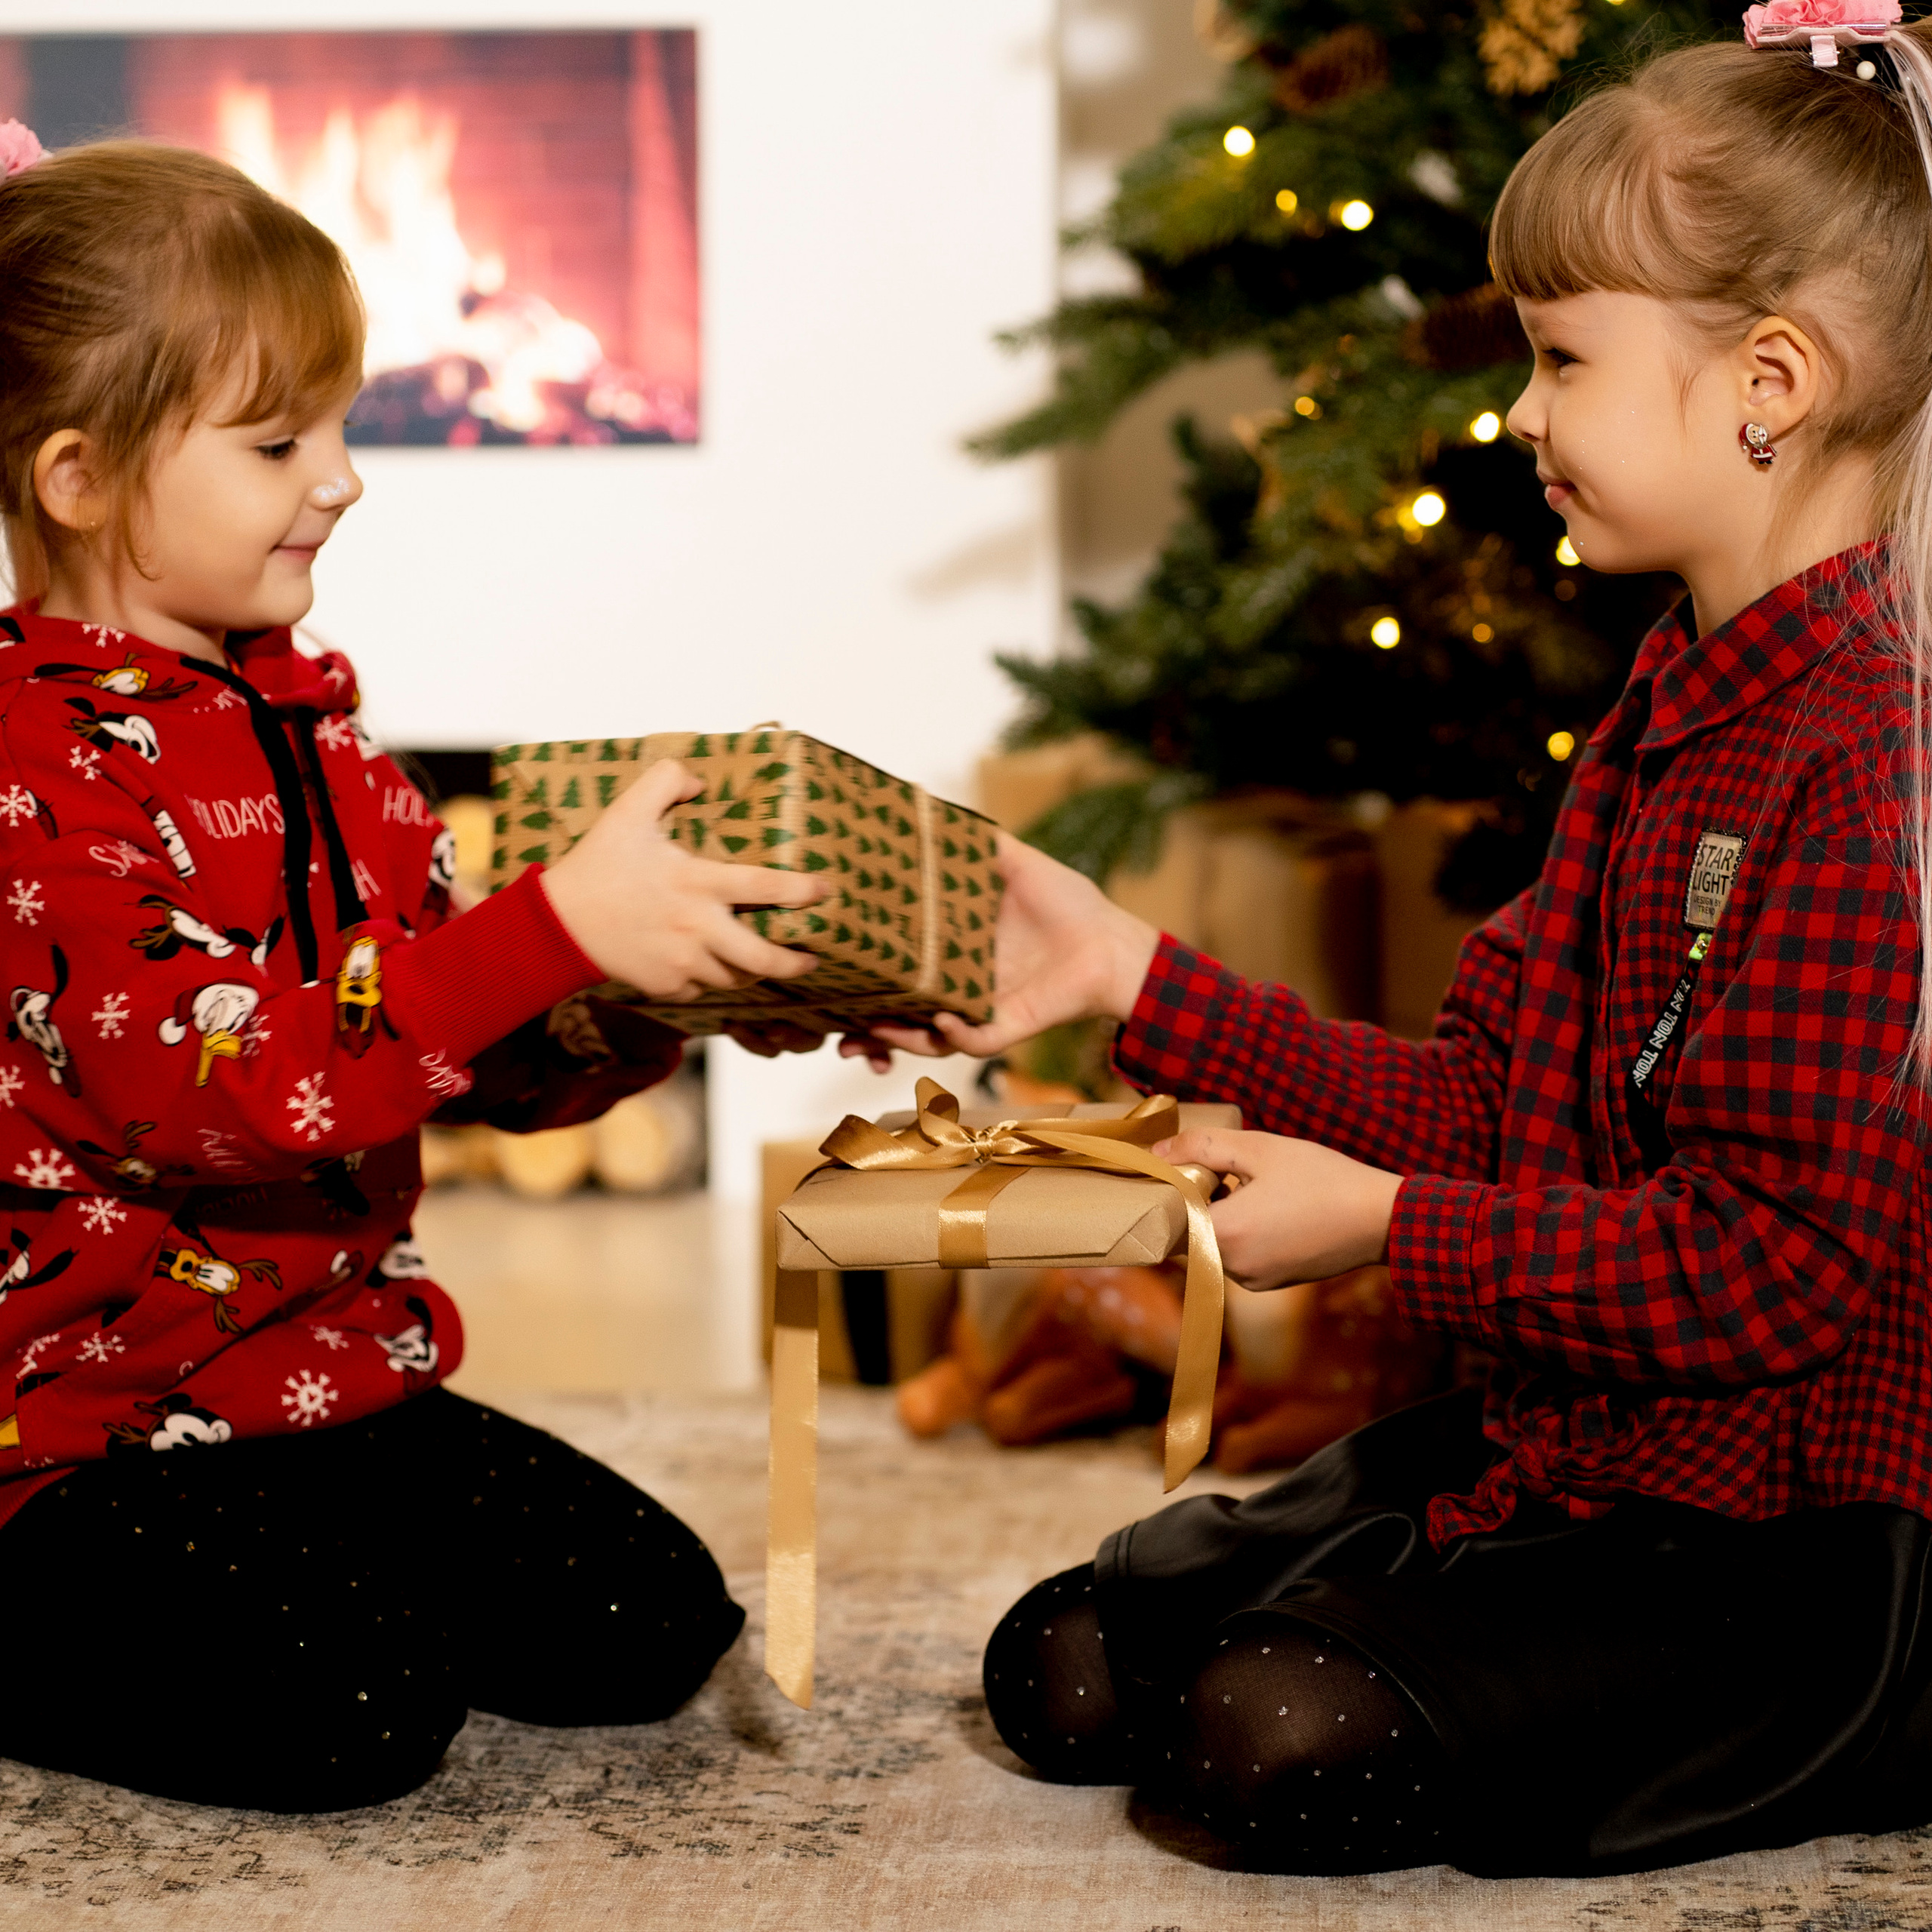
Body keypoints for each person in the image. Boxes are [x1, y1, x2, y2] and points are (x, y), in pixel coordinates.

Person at [866, 9, 1932, 1877]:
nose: (1517, 411)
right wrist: (1138, 976)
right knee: (1071, 1668)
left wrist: (1376, 1227)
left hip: (1794, 1529)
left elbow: (1766, 1273)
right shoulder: (1673, 697)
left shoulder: (1857, 757)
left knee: (1266, 1734)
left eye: (1558, 358)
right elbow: (1487, 1098)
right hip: (1593, 1434)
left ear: (1767, 378)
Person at [0, 135, 829, 1811]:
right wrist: (547, 924)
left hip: (327, 1382)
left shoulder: (330, 741)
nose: (343, 478)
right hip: (78, 1436)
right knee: (359, 1709)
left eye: (342, 425)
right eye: (276, 440)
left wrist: (657, 991)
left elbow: (468, 1054)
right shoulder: (34, 768)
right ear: (80, 479)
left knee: (645, 1624)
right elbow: (214, 1091)